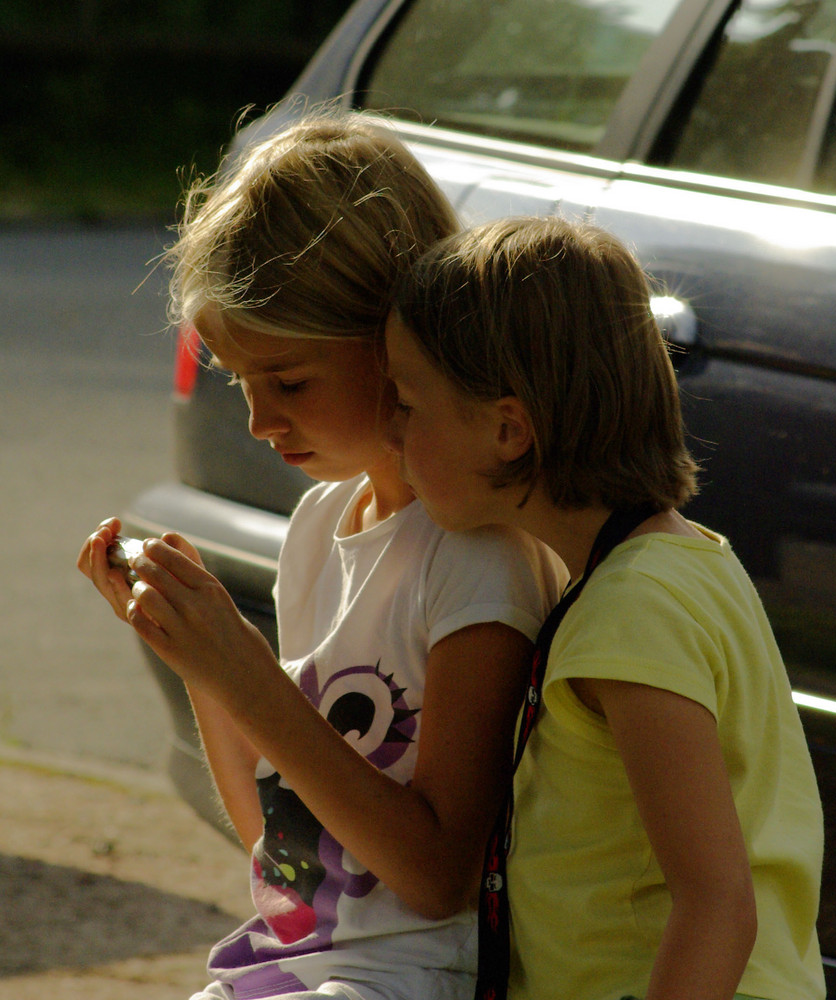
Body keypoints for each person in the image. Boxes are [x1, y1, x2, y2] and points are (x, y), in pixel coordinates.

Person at [77, 116, 566, 1000]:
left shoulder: (478, 559)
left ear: (393, 337)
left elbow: (435, 876)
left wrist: (245, 671)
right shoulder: (319, 524)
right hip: (298, 964)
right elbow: (281, 855)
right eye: (238, 382)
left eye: (289, 382)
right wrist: (197, 654)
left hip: (413, 977)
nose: (261, 422)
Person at [385, 215, 826, 1000]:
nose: (391, 432)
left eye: (408, 404)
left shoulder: (631, 610)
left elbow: (717, 903)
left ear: (507, 430)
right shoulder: (689, 565)